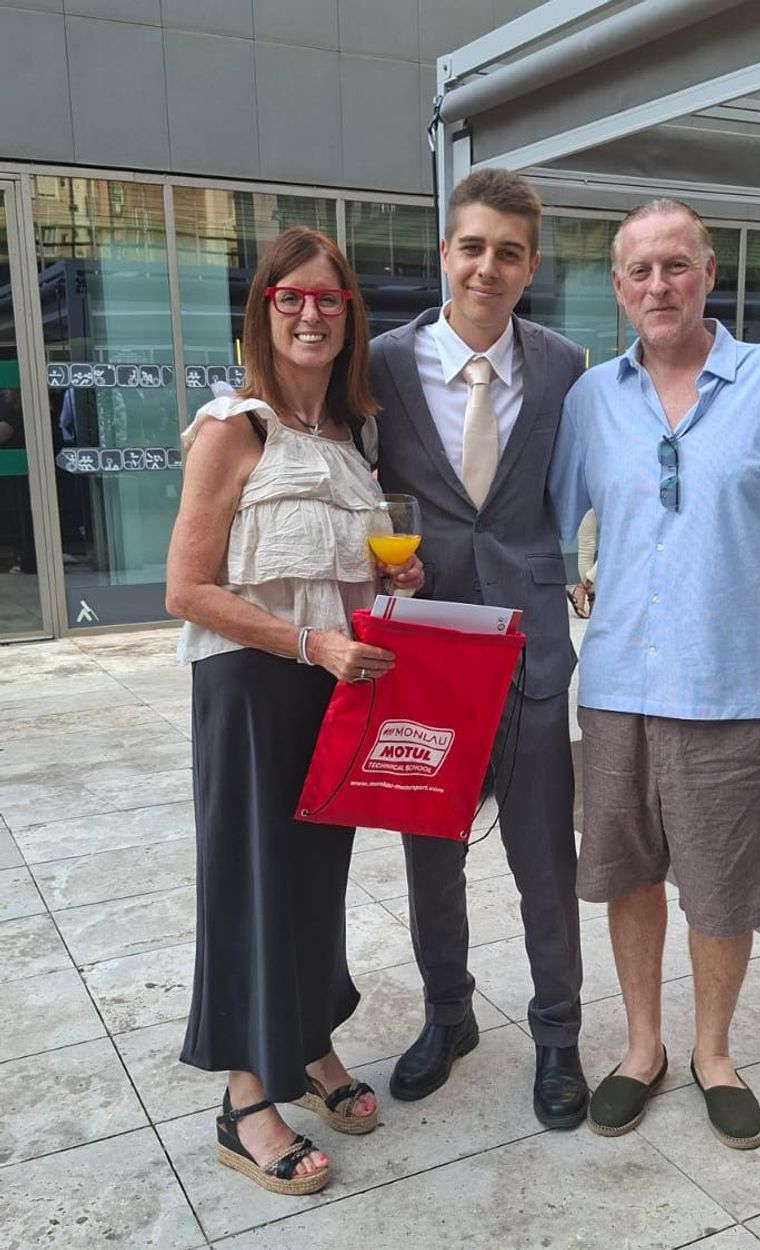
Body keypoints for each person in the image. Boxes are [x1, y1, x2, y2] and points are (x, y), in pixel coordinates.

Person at [548, 199, 760, 1149]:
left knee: (720, 885)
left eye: (676, 266)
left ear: (709, 271)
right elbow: (549, 525)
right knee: (629, 876)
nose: (658, 285)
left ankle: (713, 1054)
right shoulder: (592, 399)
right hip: (621, 684)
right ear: (619, 287)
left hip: (732, 684)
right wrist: (571, 584)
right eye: (639, 271)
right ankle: (643, 1050)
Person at [165, 226, 422, 1195]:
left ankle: (309, 1044)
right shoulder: (234, 427)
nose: (310, 313)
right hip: (252, 684)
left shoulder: (352, 436)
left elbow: (336, 572)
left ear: (348, 316)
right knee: (250, 882)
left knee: (318, 875)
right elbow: (186, 588)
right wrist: (313, 642)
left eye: (328, 298)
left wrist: (393, 586)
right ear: (264, 309)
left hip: (335, 684)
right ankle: (242, 1099)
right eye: (290, 297)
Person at [369, 168, 589, 1129]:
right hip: (427, 650)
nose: (488, 266)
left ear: (529, 265)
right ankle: (447, 1015)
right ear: (445, 252)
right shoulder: (379, 365)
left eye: (509, 251)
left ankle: (558, 1037)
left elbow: (581, 488)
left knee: (546, 859)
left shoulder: (564, 363)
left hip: (531, 647)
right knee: (431, 855)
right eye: (473, 246)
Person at [567, 509, 598, 618]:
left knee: (586, 545)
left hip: (586, 494)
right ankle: (589, 593)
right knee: (618, 543)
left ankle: (584, 591)